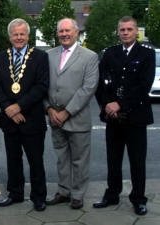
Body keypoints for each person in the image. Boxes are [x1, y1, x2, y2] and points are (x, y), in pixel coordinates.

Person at [94, 16, 155, 216]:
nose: (126, 32)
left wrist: (120, 103)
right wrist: (106, 105)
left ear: (136, 31)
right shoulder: (110, 53)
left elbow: (143, 85)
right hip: (113, 118)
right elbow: (100, 83)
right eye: (122, 29)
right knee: (113, 159)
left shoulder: (146, 54)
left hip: (136, 117)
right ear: (118, 32)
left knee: (137, 161)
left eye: (129, 29)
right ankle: (112, 194)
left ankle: (139, 199)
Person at [44, 18, 99, 209]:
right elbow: (42, 85)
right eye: (61, 31)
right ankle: (63, 191)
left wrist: (67, 112)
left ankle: (77, 194)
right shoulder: (49, 55)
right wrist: (49, 109)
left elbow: (88, 88)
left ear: (76, 32)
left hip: (77, 118)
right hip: (54, 118)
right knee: (61, 158)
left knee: (79, 160)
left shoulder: (89, 57)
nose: (64, 34)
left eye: (68, 31)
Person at [0, 18, 49, 212]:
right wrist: (8, 108)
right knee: (13, 158)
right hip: (10, 119)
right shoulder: (1, 57)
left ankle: (38, 196)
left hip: (32, 118)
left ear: (28, 35)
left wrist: (18, 107)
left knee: (35, 160)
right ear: (10, 36)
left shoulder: (41, 57)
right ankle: (15, 194)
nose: (19, 37)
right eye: (15, 34)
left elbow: (42, 86)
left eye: (22, 34)